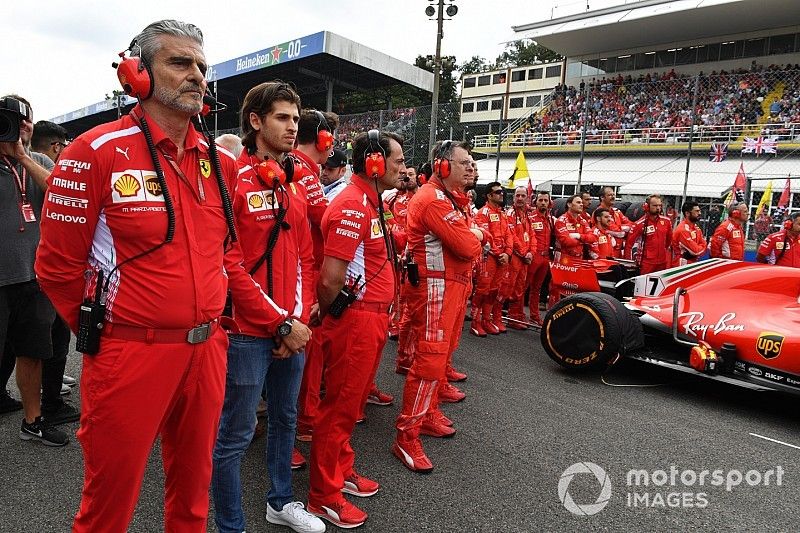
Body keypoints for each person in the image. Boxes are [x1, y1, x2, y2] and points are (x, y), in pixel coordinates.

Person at [36, 20, 272, 531]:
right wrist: (107, 334)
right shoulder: (92, 152)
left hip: (208, 351)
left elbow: (224, 256)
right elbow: (56, 269)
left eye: (202, 67)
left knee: (192, 499)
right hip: (128, 354)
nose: (197, 77)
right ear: (138, 72)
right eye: (180, 63)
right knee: (107, 508)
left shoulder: (221, 164)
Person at [211, 81, 323, 533]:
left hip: (289, 327)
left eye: (296, 118)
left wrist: (298, 317)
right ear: (255, 121)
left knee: (285, 419)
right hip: (246, 333)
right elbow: (228, 263)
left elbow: (305, 258)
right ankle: (230, 525)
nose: (293, 126)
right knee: (235, 436)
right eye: (282, 117)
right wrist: (280, 324)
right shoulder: (231, 182)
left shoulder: (294, 182)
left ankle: (280, 501)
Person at [308, 130, 404, 529]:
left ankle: (340, 470)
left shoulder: (370, 202)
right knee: (339, 408)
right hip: (356, 319)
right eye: (397, 160)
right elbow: (330, 280)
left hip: (372, 318)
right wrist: (337, 318)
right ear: (375, 163)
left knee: (349, 406)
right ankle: (323, 495)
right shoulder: (352, 205)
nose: (402, 168)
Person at [393, 140, 486, 473]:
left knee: (440, 355)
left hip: (448, 288)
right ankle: (407, 435)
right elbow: (465, 245)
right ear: (442, 167)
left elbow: (468, 241)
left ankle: (428, 413)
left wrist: (473, 232)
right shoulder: (433, 199)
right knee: (430, 361)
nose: (470, 168)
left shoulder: (448, 199)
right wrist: (476, 233)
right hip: (435, 289)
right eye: (464, 163)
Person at [0, 94, 67, 444]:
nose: (18, 127)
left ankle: (33, 420)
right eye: (9, 121)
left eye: (24, 121)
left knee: (32, 352)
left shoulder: (37, 159)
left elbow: (59, 193)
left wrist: (23, 157)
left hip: (34, 277)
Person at [294, 108, 339, 453]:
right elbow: (324, 219)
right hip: (303, 275)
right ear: (323, 140)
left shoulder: (306, 172)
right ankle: (302, 421)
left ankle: (300, 419)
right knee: (307, 356)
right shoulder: (304, 173)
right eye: (330, 137)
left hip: (303, 271)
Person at [30, 120, 80, 425]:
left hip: (37, 267)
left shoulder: (30, 163)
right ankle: (48, 400)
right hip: (40, 269)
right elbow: (56, 189)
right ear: (56, 145)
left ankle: (51, 387)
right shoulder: (34, 162)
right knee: (48, 338)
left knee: (43, 339)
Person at [472, 181, 514, 336]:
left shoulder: (503, 214)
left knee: (494, 291)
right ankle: (475, 323)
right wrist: (498, 254)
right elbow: (486, 238)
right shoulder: (482, 213)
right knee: (482, 290)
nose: (501, 194)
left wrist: (508, 253)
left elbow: (510, 235)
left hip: (502, 259)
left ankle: (486, 320)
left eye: (502, 192)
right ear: (489, 195)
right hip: (488, 257)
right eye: (498, 192)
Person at [501, 186, 534, 330]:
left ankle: (515, 317)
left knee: (520, 288)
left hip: (524, 258)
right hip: (514, 257)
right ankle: (493, 315)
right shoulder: (510, 214)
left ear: (527, 197)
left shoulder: (526, 215)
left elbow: (532, 236)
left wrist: (531, 252)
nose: (520, 198)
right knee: (506, 288)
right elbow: (511, 236)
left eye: (522, 196)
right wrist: (523, 252)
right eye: (517, 196)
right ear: (513, 197)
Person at [526, 191, 554, 325]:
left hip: (545, 258)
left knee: (537, 288)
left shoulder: (550, 219)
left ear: (549, 203)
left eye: (545, 200)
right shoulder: (530, 218)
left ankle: (534, 315)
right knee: (524, 286)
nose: (543, 203)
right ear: (535, 202)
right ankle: (517, 313)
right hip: (534, 256)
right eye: (541, 200)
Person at [627, 194, 673, 274]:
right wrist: (629, 263)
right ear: (646, 206)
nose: (658, 208)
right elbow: (629, 245)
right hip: (646, 263)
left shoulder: (667, 221)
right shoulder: (639, 224)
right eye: (655, 205)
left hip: (662, 262)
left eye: (660, 205)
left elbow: (669, 241)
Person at [554, 195, 595, 265]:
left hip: (579, 258)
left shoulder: (583, 221)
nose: (581, 204)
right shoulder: (561, 221)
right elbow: (567, 242)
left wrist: (579, 236)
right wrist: (584, 240)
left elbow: (593, 238)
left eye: (581, 203)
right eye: (578, 202)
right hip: (564, 259)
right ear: (569, 204)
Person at [596, 186, 632, 256]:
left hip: (618, 250)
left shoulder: (616, 211)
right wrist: (624, 230)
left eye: (613, 195)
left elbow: (631, 225)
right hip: (606, 249)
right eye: (609, 195)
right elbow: (618, 232)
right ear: (602, 197)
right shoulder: (598, 212)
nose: (613, 197)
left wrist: (620, 228)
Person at [672, 201, 707, 266]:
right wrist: (701, 246)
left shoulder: (696, 227)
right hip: (681, 265)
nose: (699, 213)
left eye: (699, 211)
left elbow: (703, 245)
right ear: (687, 213)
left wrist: (700, 247)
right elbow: (696, 251)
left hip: (693, 262)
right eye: (696, 211)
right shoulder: (682, 230)